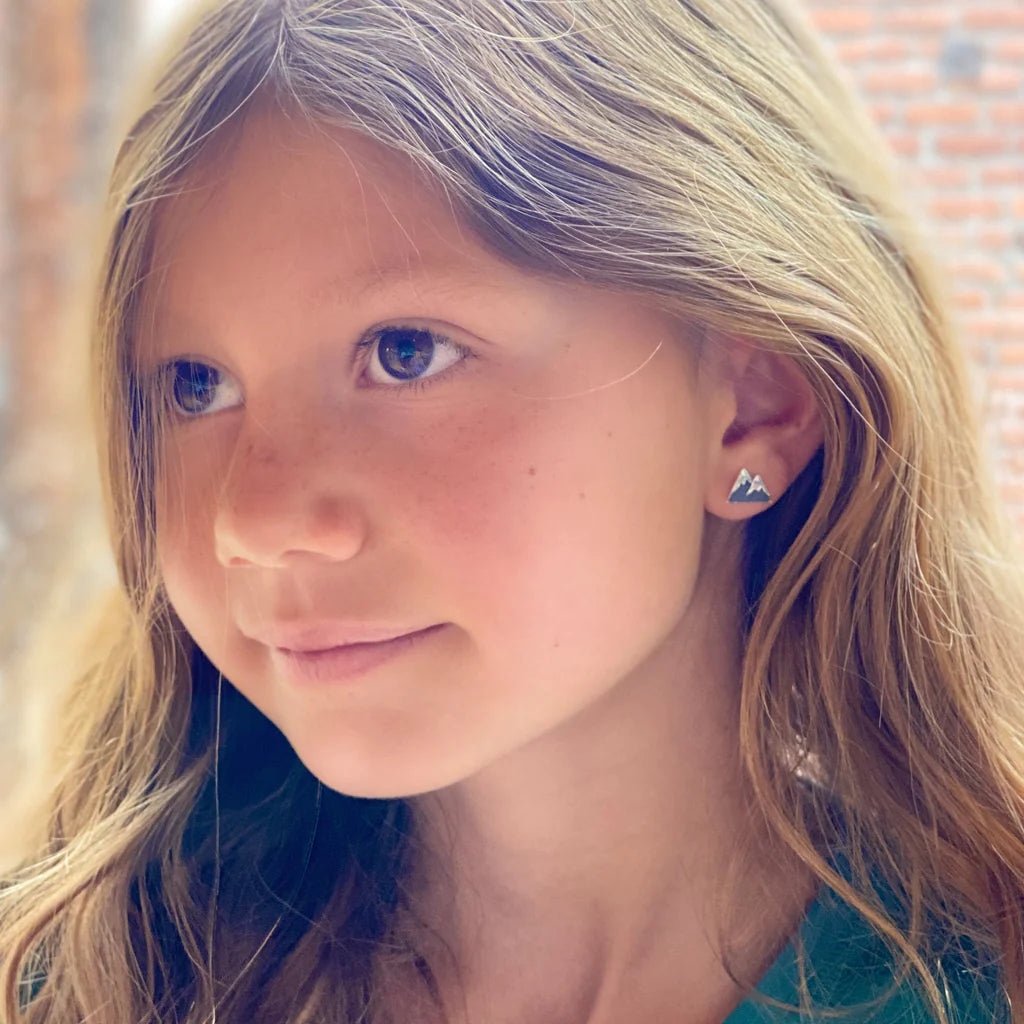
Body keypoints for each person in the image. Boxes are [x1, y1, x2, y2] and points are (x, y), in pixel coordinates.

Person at [1, 0, 1021, 1021]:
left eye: (406, 352)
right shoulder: (89, 978)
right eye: (195, 385)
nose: (252, 523)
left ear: (751, 409)